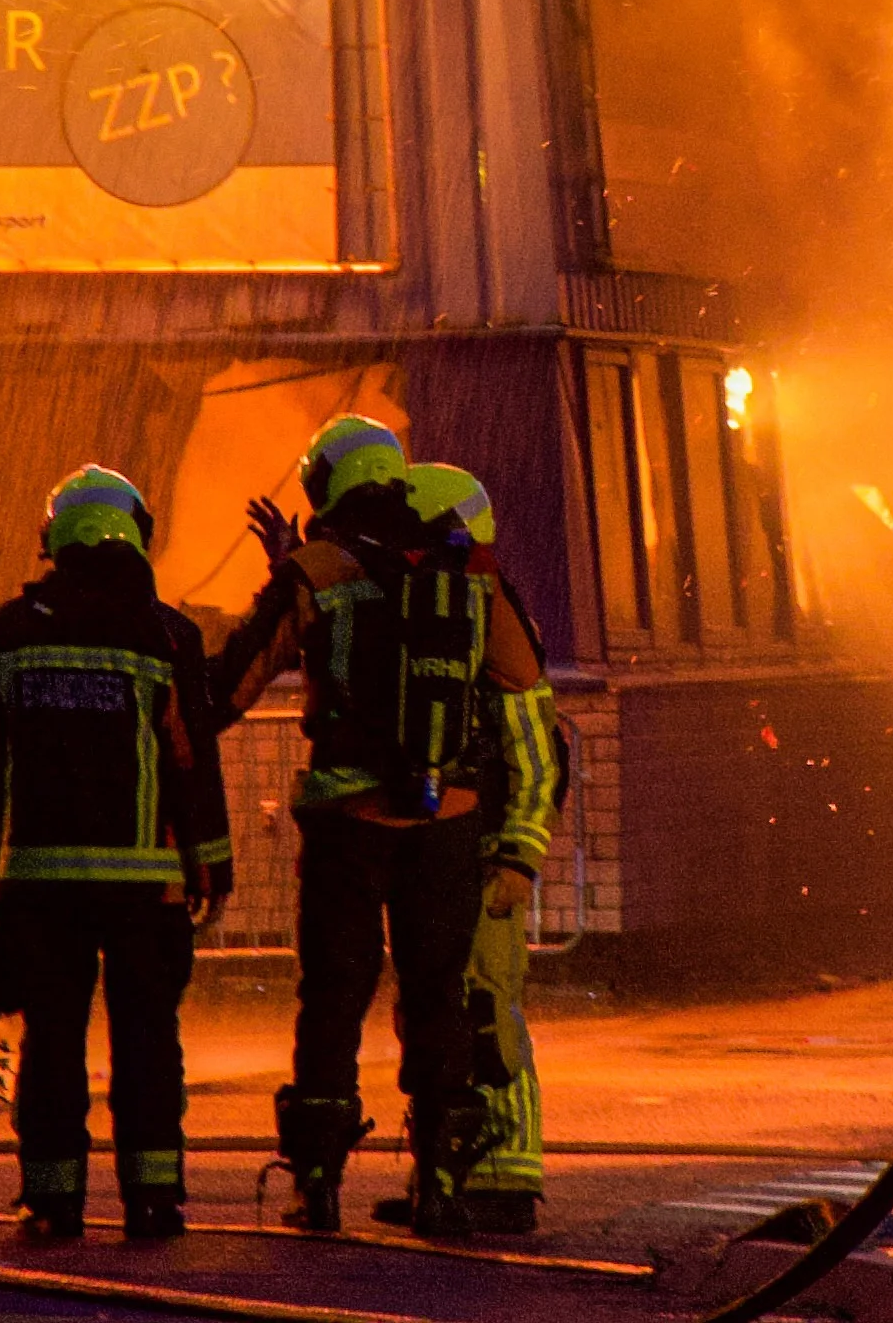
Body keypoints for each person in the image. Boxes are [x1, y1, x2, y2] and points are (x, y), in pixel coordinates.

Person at [212, 418, 551, 1236]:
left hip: (347, 824)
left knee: (334, 996)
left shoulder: (320, 568)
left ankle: (318, 1185)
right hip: (448, 819)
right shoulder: (464, 567)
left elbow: (231, 687)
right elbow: (522, 677)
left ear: (325, 485)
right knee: (437, 998)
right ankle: (440, 1183)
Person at [0, 465, 232, 1242]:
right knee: (147, 1038)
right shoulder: (168, 634)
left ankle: (51, 1199)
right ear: (137, 536)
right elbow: (191, 762)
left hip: (41, 883)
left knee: (52, 1039)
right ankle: (152, 1198)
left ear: (54, 541)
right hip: (147, 886)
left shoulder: (6, 631)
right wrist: (212, 865)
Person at [361, 466, 563, 1237]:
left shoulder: (486, 605)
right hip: (451, 849)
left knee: (486, 1014)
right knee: (438, 1013)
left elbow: (534, 749)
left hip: (484, 853)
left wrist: (517, 854)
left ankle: (506, 1181)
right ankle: (448, 1172)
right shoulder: (447, 600)